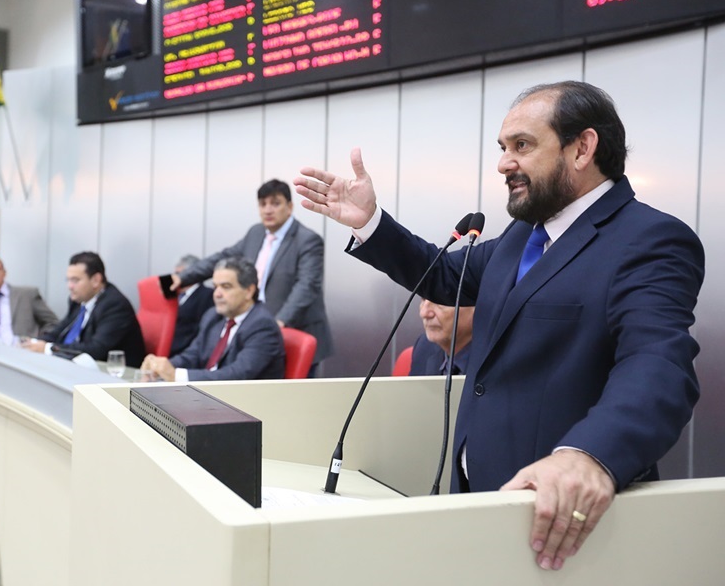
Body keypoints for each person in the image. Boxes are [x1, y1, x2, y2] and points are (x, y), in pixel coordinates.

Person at [294, 81, 704, 571]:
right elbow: (446, 274)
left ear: (582, 148)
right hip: (479, 499)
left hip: (559, 525)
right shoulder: (523, 235)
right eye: (503, 148)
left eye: (522, 146)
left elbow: (657, 366)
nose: (504, 164)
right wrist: (369, 223)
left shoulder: (650, 239)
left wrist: (589, 455)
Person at [172, 179, 333, 371]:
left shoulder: (307, 240)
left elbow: (307, 286)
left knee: (297, 397)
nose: (268, 210)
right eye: (263, 204)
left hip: (295, 328)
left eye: (275, 203)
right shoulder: (256, 233)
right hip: (257, 328)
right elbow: (223, 257)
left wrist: (281, 320)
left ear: (289, 207)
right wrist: (182, 278)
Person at [143, 257, 285, 381]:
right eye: (215, 286)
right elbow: (193, 355)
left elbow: (237, 375)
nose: (217, 294)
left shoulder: (262, 325)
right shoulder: (213, 316)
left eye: (226, 287)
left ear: (249, 291)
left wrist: (176, 376)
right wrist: (161, 366)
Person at [22, 251, 146, 367]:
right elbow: (60, 329)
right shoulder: (78, 300)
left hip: (112, 373)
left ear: (96, 280)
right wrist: (35, 343)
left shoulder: (115, 305)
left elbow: (95, 349)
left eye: (75, 280)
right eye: (68, 280)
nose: (69, 286)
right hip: (78, 367)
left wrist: (48, 348)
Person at [0, 254, 58, 344]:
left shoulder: (27, 294)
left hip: (20, 353)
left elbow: (53, 323)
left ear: (4, 272)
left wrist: (37, 342)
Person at [408, 300, 474, 376]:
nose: (424, 313)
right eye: (423, 299)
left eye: (440, 301)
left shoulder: (490, 363)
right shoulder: (425, 347)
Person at [169, 254, 214, 356]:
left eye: (179, 274)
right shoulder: (174, 294)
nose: (176, 278)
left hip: (182, 350)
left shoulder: (207, 295)